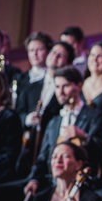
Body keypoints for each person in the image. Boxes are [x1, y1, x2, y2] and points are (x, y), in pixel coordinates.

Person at [23, 66, 102, 196]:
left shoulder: (94, 116)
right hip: (53, 185)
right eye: (57, 87)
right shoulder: (54, 122)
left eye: (65, 86)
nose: (60, 92)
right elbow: (43, 158)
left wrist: (83, 136)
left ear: (79, 86)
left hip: (83, 184)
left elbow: (100, 154)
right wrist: (34, 179)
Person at [15, 40, 75, 176]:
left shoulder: (68, 92)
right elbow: (17, 114)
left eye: (61, 55)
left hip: (49, 149)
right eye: (53, 52)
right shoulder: (30, 85)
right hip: (25, 149)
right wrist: (28, 119)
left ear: (68, 63)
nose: (55, 56)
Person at [18, 31, 54, 96]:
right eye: (31, 50)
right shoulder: (20, 78)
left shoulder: (53, 78)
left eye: (39, 49)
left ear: (48, 51)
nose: (35, 54)